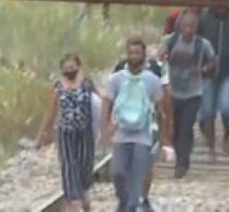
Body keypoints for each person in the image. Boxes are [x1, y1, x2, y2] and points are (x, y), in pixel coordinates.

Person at [101, 37, 169, 212]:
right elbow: (107, 102)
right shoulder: (116, 79)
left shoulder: (152, 80)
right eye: (131, 52)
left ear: (144, 55)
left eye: (137, 52)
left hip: (143, 136)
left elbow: (161, 110)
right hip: (121, 134)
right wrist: (106, 126)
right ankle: (124, 202)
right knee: (117, 174)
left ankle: (131, 206)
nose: (134, 56)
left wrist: (164, 138)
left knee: (137, 179)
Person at [159, 10, 216, 178]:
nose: (188, 30)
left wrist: (203, 69)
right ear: (180, 27)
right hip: (174, 92)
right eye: (185, 26)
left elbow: (213, 60)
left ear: (196, 27)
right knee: (175, 127)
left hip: (193, 93)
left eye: (192, 26)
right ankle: (180, 155)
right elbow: (160, 53)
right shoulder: (172, 41)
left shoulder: (202, 44)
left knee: (186, 126)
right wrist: (162, 55)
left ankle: (182, 163)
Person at [37, 53, 96, 212]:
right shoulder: (58, 86)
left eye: (72, 67)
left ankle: (83, 196)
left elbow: (99, 103)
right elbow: (50, 112)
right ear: (61, 70)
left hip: (85, 132)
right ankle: (73, 201)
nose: (70, 70)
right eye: (66, 68)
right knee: (69, 167)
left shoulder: (87, 84)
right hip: (66, 133)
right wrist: (42, 134)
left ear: (78, 67)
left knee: (85, 166)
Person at [196, 7, 229, 159]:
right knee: (206, 113)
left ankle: (226, 137)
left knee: (226, 107)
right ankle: (211, 146)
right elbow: (196, 43)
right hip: (207, 72)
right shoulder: (204, 18)